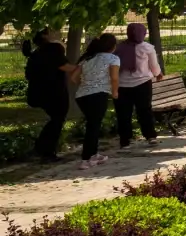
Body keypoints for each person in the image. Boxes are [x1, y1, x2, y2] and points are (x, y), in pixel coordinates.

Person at [21, 27, 75, 163]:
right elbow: (63, 66)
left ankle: (42, 149)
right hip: (53, 93)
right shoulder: (53, 49)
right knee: (57, 120)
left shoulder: (37, 52)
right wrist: (82, 68)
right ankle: (45, 151)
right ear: (46, 35)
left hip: (38, 92)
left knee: (55, 120)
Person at [70, 33, 120, 169]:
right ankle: (86, 159)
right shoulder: (113, 59)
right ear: (113, 46)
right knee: (93, 126)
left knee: (93, 124)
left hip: (82, 96)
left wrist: (86, 84)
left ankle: (94, 153)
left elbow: (74, 77)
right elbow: (114, 78)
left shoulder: (87, 58)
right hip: (98, 95)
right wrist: (115, 92)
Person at [114, 24, 164, 151]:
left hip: (122, 85)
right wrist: (158, 74)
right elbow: (154, 65)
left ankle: (125, 141)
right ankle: (150, 136)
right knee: (145, 110)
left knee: (123, 114)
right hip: (142, 84)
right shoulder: (147, 48)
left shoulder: (119, 47)